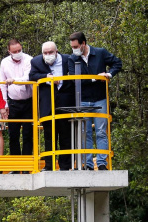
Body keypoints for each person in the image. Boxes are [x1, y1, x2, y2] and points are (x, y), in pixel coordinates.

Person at [68, 31, 122, 170]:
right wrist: (96, 78)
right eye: (72, 47)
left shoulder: (100, 53)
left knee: (101, 131)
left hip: (100, 99)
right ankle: (88, 164)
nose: (74, 50)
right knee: (85, 133)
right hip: (83, 100)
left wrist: (109, 74)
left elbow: (117, 63)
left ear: (83, 43)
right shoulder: (72, 59)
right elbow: (75, 80)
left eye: (76, 47)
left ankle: (102, 163)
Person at [30, 41, 75, 171]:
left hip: (65, 102)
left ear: (56, 51)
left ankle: (65, 166)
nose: (48, 55)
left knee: (66, 135)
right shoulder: (36, 61)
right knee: (49, 136)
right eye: (45, 53)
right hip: (48, 104)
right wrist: (46, 77)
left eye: (50, 52)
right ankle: (49, 165)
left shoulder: (68, 59)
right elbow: (32, 76)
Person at [0, 39, 33, 157]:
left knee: (28, 133)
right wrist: (4, 104)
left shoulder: (29, 59)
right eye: (15, 51)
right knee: (13, 134)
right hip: (13, 102)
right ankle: (15, 162)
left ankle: (27, 161)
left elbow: (28, 78)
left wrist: (14, 81)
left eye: (19, 50)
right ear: (9, 51)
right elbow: (2, 84)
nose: (18, 53)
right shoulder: (4, 62)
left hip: (29, 101)